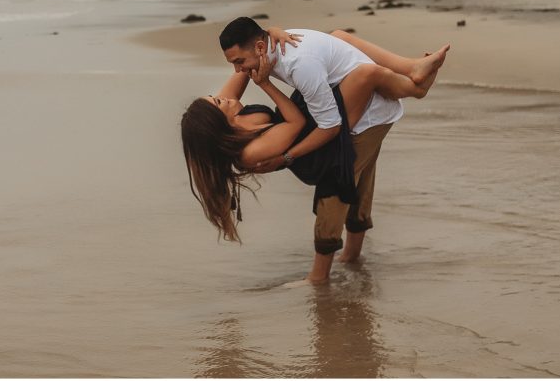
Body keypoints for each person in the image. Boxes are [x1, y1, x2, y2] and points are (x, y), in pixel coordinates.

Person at [181, 18, 449, 282]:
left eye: (216, 96)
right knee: (367, 76)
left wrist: (272, 33)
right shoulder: (250, 150)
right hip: (311, 148)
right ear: (215, 124)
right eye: (217, 101)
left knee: (339, 37)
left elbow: (249, 56)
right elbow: (296, 122)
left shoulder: (230, 113)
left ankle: (413, 67)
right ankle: (319, 281)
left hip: (309, 122)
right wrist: (266, 84)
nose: (224, 95)